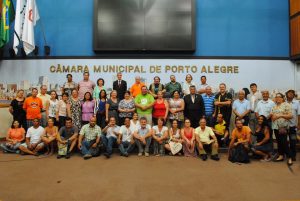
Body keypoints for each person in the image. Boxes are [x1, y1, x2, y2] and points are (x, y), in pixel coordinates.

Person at [270, 93, 293, 165]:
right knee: (279, 142)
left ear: (283, 98)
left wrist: (280, 115)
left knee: (284, 142)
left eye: (279, 97)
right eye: (276, 97)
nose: (277, 98)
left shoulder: (286, 105)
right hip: (275, 127)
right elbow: (272, 115)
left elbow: (290, 115)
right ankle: (281, 156)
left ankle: (290, 157)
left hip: (283, 127)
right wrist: (272, 116)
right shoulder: (274, 106)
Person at [286, 90, 300, 161]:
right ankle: (288, 154)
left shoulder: (297, 102)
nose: (290, 94)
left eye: (292, 94)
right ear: (286, 94)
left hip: (293, 126)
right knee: (284, 141)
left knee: (293, 141)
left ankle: (293, 155)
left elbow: (299, 114)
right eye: (289, 93)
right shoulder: (284, 102)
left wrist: (298, 124)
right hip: (284, 126)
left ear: (294, 95)